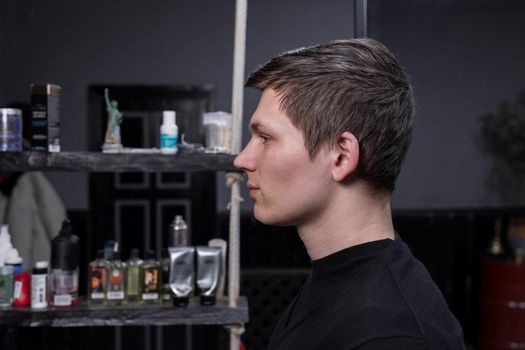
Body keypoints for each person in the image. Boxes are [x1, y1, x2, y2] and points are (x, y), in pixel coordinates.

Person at [234, 38, 465, 349]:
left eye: (265, 137)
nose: (242, 160)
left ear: (341, 156)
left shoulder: (393, 335)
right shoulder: (338, 277)